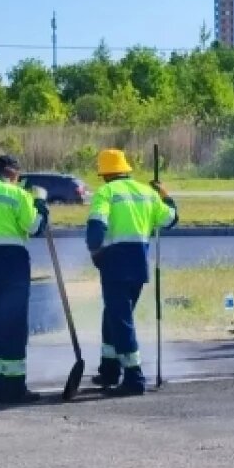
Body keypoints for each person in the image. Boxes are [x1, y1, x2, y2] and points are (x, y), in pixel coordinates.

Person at [87, 149, 178, 396]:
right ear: (126, 169)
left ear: (105, 175)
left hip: (114, 264)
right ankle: (109, 369)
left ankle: (134, 376)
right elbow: (170, 219)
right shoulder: (147, 193)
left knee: (121, 321)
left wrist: (95, 253)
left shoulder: (106, 193)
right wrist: (165, 195)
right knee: (113, 317)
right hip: (138, 265)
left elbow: (95, 231)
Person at [0, 155, 49, 404]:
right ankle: (12, 389)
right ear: (13, 173)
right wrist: (40, 203)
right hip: (10, 264)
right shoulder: (17, 195)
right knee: (13, 325)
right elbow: (35, 226)